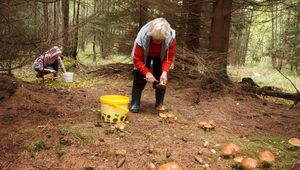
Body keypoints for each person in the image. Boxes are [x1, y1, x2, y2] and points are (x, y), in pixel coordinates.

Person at [130, 17, 176, 113]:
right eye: (156, 39)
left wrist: (164, 72)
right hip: (144, 55)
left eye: (161, 39)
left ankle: (159, 103)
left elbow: (168, 58)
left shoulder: (170, 37)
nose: (158, 41)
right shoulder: (142, 37)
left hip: (160, 56)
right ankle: (135, 102)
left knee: (160, 76)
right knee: (139, 75)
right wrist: (147, 73)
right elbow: (137, 59)